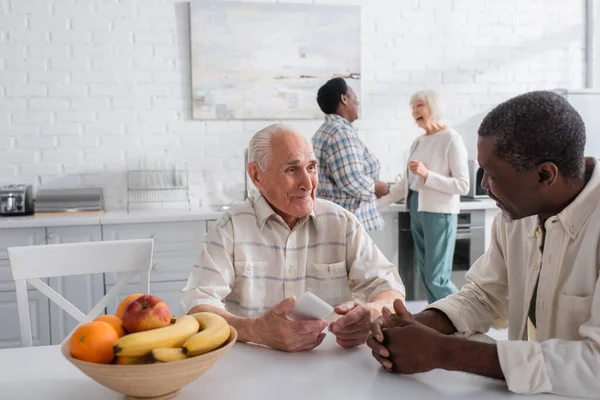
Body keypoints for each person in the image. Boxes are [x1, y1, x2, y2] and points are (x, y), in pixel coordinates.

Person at [367, 90, 600, 398]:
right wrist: (414, 326)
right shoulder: (517, 216)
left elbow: (594, 366)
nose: (483, 187)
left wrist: (444, 352)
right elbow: (484, 296)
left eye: (492, 175)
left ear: (545, 175)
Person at [181, 124, 405, 353]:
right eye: (291, 170)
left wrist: (374, 311)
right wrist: (255, 330)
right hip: (253, 365)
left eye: (311, 168)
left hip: (332, 364)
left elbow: (388, 285)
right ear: (256, 175)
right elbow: (196, 304)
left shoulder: (342, 222)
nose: (308, 184)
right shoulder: (231, 227)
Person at [379, 90, 469, 303]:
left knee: (437, 277)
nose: (414, 112)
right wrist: (376, 204)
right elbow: (405, 184)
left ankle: (465, 318)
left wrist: (427, 174)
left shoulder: (451, 138)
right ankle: (438, 322)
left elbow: (463, 185)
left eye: (419, 106)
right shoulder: (418, 141)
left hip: (439, 213)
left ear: (433, 107)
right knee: (427, 276)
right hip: (416, 208)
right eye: (412, 108)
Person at [312, 77, 390, 232]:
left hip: (338, 221)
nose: (358, 103)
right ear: (344, 98)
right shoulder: (341, 132)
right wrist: (377, 187)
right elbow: (351, 180)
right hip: (349, 223)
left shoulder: (327, 130)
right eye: (355, 97)